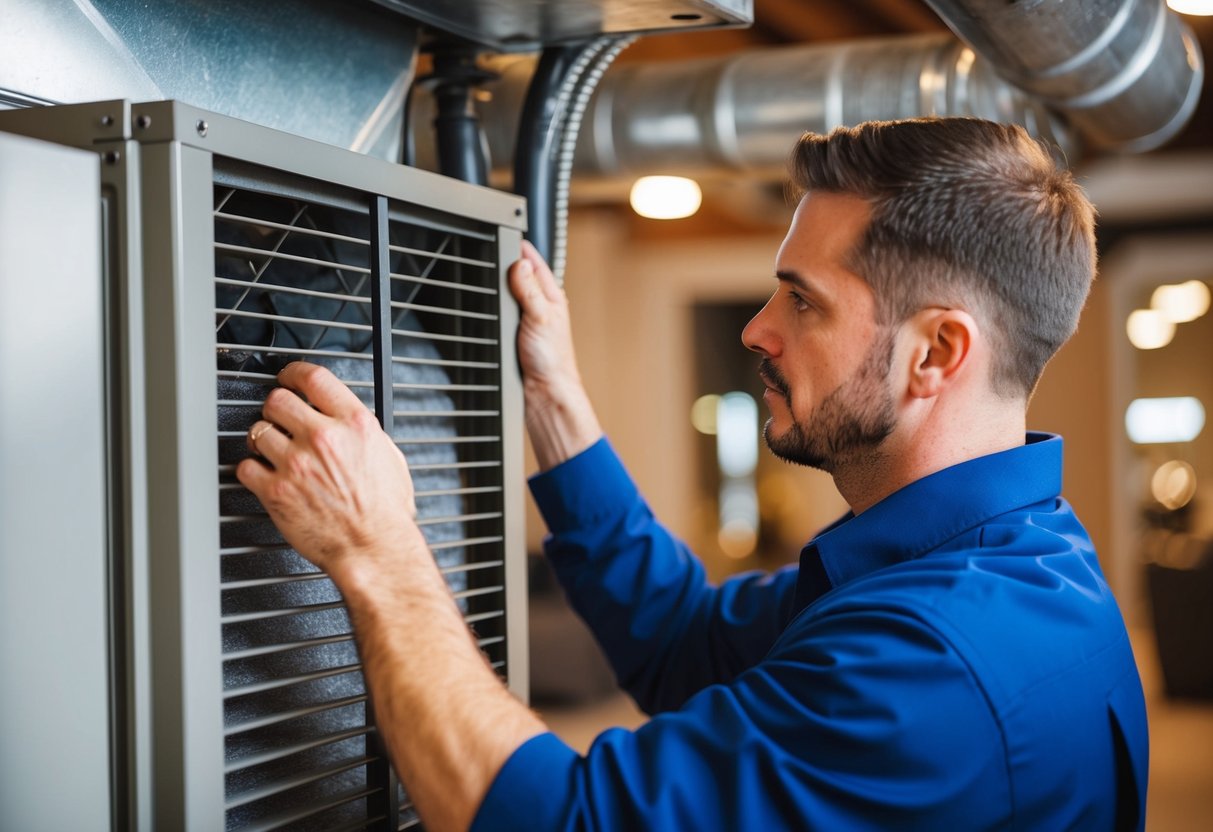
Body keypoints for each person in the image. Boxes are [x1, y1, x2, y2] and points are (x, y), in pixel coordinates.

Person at [237, 117, 1148, 831]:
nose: (757, 329)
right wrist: (554, 402)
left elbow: (558, 822)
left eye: (802, 299)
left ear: (935, 351)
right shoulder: (997, 563)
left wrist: (379, 551)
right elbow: (687, 643)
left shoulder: (936, 668)